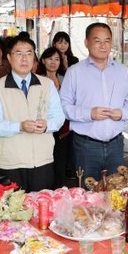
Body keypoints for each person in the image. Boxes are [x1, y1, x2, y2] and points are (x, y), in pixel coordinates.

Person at [59, 22, 128, 180]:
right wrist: (89, 113)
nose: (103, 45)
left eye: (107, 41)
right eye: (97, 41)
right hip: (85, 146)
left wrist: (122, 113)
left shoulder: (122, 71)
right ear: (86, 43)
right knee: (87, 195)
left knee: (115, 195)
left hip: (115, 145)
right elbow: (63, 106)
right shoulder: (74, 72)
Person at [0, 35, 65, 192]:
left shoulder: (47, 85)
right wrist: (19, 126)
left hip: (43, 160)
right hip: (12, 163)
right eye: (19, 54)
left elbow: (59, 117)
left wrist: (47, 125)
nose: (24, 59)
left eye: (29, 53)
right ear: (8, 57)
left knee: (42, 209)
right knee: (14, 212)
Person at [36, 47, 71, 188]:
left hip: (64, 130)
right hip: (45, 128)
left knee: (61, 165)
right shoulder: (38, 80)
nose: (53, 62)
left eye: (57, 59)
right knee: (47, 165)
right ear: (43, 61)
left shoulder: (65, 79)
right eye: (50, 59)